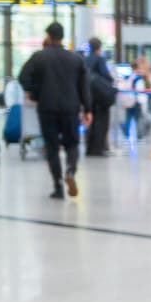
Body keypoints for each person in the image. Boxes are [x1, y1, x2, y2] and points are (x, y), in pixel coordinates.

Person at [18, 21, 92, 199]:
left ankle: (58, 186)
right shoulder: (76, 59)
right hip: (70, 108)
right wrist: (88, 109)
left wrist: (34, 93)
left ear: (48, 36)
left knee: (52, 147)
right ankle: (71, 171)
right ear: (62, 37)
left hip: (47, 108)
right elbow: (84, 86)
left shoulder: (39, 57)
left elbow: (23, 77)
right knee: (72, 143)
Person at [83, 37, 115, 157]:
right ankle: (99, 148)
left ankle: (89, 147)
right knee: (101, 122)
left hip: (88, 96)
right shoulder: (99, 59)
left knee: (90, 120)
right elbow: (106, 76)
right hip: (101, 97)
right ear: (99, 47)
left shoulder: (85, 60)